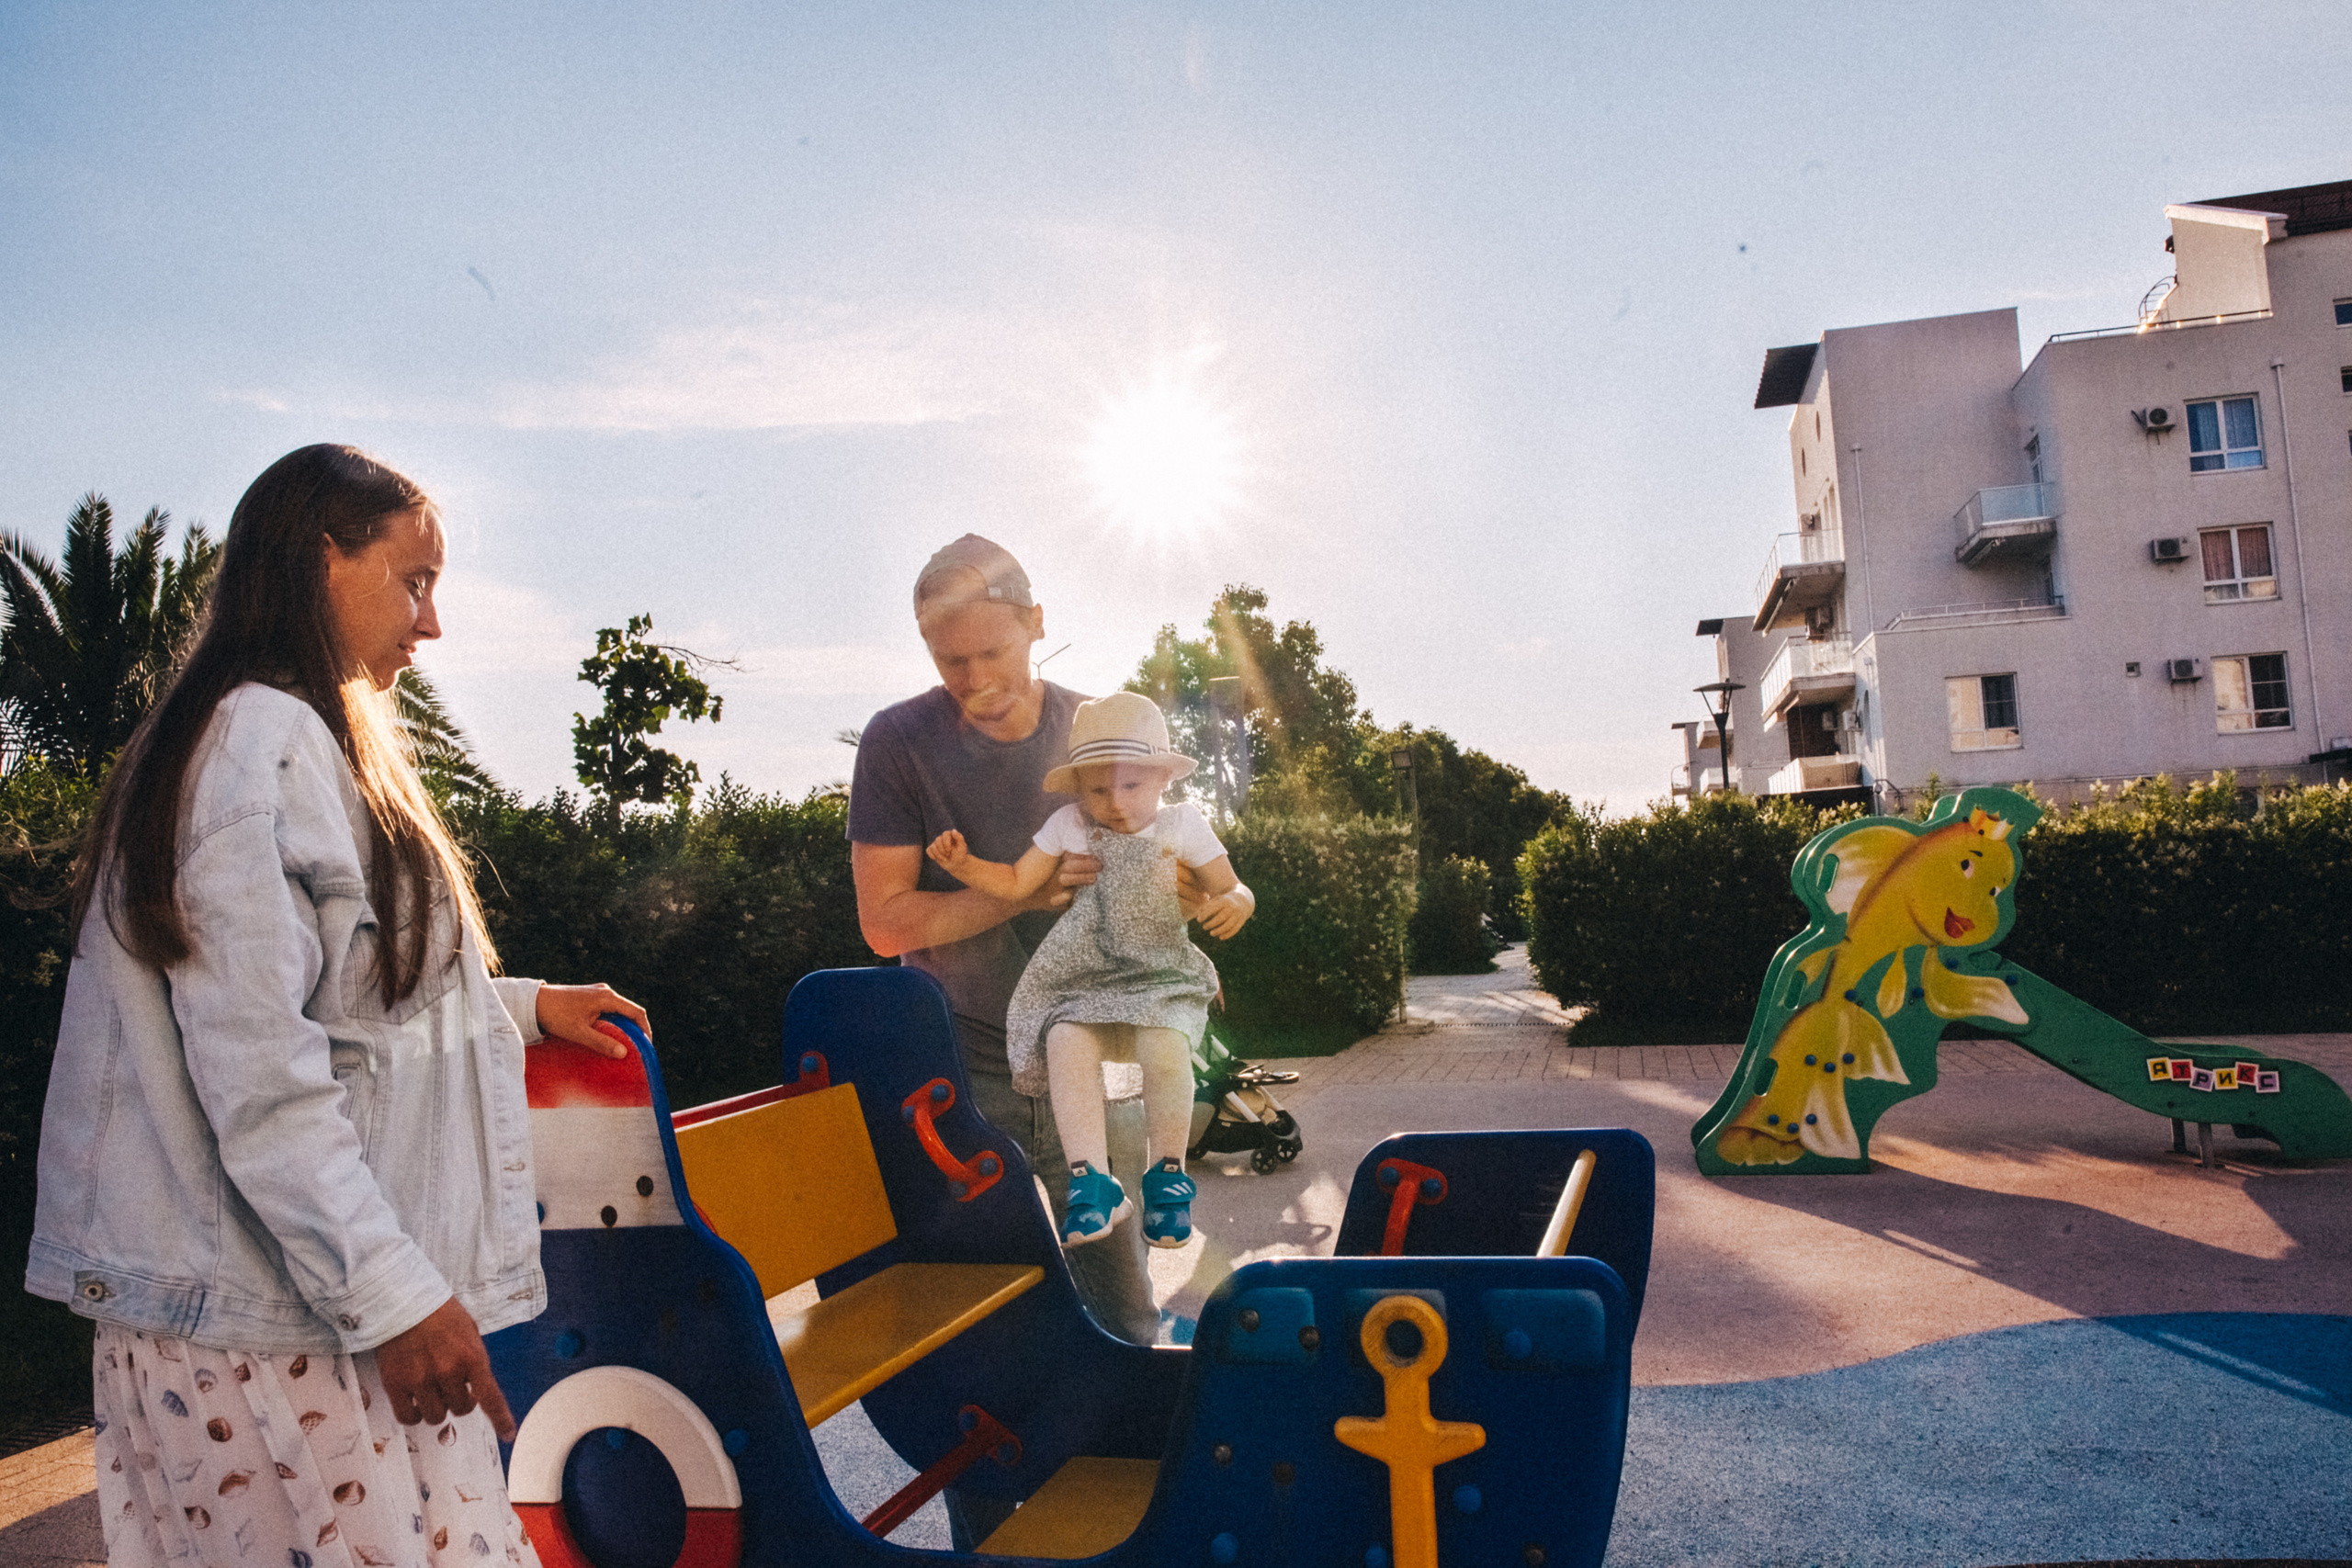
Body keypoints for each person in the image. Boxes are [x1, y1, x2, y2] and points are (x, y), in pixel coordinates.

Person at [26, 445, 650, 1568]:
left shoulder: (277, 738)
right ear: (320, 559)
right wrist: (401, 1300)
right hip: (273, 1328)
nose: (433, 624)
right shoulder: (253, 747)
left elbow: (336, 997)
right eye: (414, 581)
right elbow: (260, 1076)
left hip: (295, 1309)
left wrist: (518, 1007)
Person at [926, 692, 1253, 1251]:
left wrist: (1239, 903)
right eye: (1099, 789)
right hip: (1084, 972)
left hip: (1157, 972)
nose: (1117, 802)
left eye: (1131, 785)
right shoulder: (1068, 825)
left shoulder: (1183, 824)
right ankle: (1091, 1182)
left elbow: (1231, 885)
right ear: (1080, 789)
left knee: (1164, 1042)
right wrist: (962, 866)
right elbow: (1013, 882)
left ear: (1161, 780)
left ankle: (1168, 1177)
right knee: (1064, 1039)